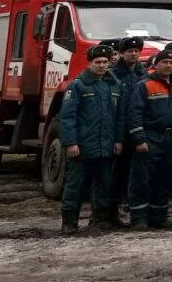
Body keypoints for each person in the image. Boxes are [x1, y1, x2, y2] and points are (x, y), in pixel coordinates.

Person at [58, 43, 125, 232]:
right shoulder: (77, 86)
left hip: (107, 147)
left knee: (104, 185)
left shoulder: (114, 85)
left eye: (105, 62)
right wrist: (71, 143)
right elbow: (68, 117)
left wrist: (119, 140)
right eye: (98, 62)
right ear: (89, 63)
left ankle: (99, 220)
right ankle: (69, 223)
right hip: (83, 148)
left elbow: (120, 117)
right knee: (75, 186)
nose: (102, 65)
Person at [127, 49, 172, 230]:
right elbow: (134, 114)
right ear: (156, 64)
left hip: (171, 139)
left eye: (171, 63)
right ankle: (139, 219)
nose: (168, 65)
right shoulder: (144, 85)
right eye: (164, 62)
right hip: (150, 137)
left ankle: (158, 217)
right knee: (142, 179)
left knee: (165, 179)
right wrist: (139, 139)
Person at [110, 37, 146, 212]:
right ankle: (114, 205)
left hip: (138, 127)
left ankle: (131, 202)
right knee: (119, 169)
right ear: (122, 53)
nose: (134, 54)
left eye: (137, 51)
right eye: (130, 51)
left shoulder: (143, 74)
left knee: (137, 168)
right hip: (119, 128)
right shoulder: (113, 75)